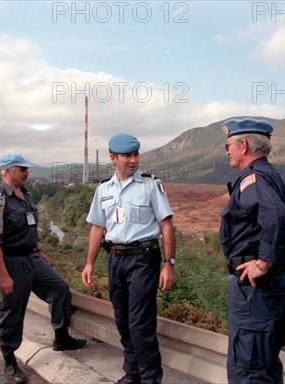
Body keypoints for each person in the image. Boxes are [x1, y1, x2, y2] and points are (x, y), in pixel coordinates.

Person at [0, 153, 86, 384]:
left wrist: (39, 250)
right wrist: (4, 276)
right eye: (22, 169)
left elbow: (26, 229)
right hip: (11, 262)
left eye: (27, 169)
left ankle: (61, 337)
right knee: (11, 311)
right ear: (7, 171)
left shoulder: (24, 195)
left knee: (59, 289)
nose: (27, 173)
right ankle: (9, 360)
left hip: (31, 257)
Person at [82, 134, 176, 384]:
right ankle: (132, 371)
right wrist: (90, 262)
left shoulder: (150, 185)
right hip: (115, 259)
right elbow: (97, 228)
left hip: (143, 260)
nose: (133, 160)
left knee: (140, 322)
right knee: (123, 319)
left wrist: (169, 263)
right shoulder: (103, 189)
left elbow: (166, 224)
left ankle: (150, 378)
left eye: (136, 155)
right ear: (113, 158)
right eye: (127, 156)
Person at [219, 118, 285, 383]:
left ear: (243, 145)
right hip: (267, 289)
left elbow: (275, 217)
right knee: (263, 366)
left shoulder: (254, 179)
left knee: (249, 369)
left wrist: (263, 263)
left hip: (256, 290)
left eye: (228, 145)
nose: (226, 150)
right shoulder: (270, 176)